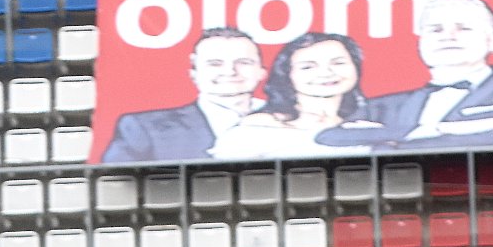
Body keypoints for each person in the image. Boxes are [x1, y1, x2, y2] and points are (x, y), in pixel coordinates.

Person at [316, 0, 493, 149]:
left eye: (463, 28)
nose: (448, 37)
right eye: (435, 29)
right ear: (420, 42)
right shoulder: (384, 105)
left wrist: (389, 141)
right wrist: (431, 130)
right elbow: (330, 137)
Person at [102, 28, 265, 163]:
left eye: (243, 62)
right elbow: (117, 179)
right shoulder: (144, 127)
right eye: (215, 64)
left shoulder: (280, 120)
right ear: (194, 73)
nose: (230, 72)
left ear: (261, 71)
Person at [212, 33, 369, 160]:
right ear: (287, 74)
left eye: (338, 63)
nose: (326, 73)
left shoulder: (366, 126)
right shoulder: (255, 130)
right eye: (307, 67)